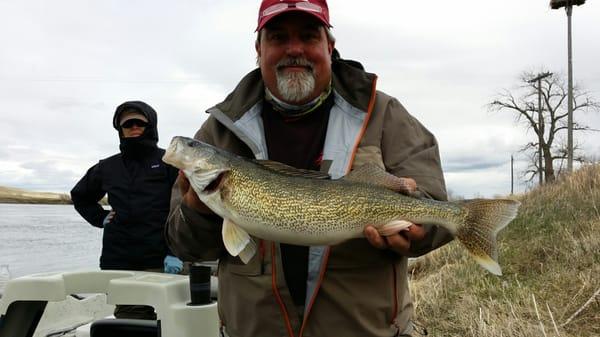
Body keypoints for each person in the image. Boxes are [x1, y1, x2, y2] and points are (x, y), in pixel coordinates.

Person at [166, 1, 452, 336]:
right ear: (258, 50)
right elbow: (183, 245)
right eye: (277, 37)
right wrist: (197, 212)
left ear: (329, 47)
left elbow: (436, 208)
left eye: (308, 36)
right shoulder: (219, 130)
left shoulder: (385, 114)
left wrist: (419, 233)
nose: (294, 49)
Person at [71, 100, 182, 319]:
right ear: (120, 130)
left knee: (172, 319)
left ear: (150, 125)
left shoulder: (169, 162)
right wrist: (100, 217)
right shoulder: (107, 167)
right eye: (127, 124)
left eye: (138, 123)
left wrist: (175, 253)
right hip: (120, 260)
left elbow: (185, 209)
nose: (133, 128)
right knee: (131, 319)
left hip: (161, 259)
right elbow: (80, 196)